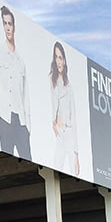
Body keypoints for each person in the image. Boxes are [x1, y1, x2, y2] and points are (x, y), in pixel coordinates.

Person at [0, 5, 31, 159]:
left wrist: (28, 126)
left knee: (28, 160)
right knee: (6, 161)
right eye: (5, 23)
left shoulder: (21, 60)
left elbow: (25, 95)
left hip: (20, 120)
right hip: (5, 118)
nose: (7, 27)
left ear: (14, 26)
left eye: (10, 24)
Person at [49, 41, 79, 175]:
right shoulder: (52, 80)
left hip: (69, 134)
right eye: (56, 57)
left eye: (60, 57)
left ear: (64, 61)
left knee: (73, 172)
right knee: (56, 168)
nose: (58, 61)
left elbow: (74, 119)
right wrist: (53, 123)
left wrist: (76, 154)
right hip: (59, 134)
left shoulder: (69, 87)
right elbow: (52, 104)